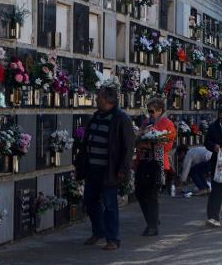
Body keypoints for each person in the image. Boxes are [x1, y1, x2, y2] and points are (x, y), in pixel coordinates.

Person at [74, 86, 135, 251]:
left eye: (98, 98)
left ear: (107, 100)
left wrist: (122, 168)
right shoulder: (96, 116)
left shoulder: (121, 119)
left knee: (109, 205)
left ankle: (113, 239)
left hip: (110, 170)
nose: (95, 100)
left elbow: (128, 147)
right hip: (93, 168)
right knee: (90, 201)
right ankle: (98, 231)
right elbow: (87, 141)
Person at [135, 97, 176, 236]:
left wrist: (150, 144)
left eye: (152, 111)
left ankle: (152, 226)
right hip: (143, 161)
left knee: (151, 194)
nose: (150, 114)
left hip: (157, 163)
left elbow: (168, 145)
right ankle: (152, 219)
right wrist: (140, 138)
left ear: (160, 110)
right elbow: (139, 137)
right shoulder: (147, 122)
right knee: (140, 192)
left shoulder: (167, 124)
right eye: (148, 111)